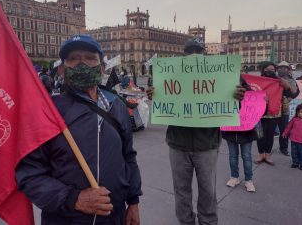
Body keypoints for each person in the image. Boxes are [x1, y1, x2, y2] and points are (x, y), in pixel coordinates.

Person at [16, 34, 142, 225]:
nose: (82, 64)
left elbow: (128, 157)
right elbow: (29, 174)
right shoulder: (48, 111)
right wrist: (73, 199)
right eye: (74, 58)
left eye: (90, 58)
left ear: (101, 68)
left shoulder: (117, 105)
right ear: (62, 69)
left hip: (114, 218)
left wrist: (133, 202)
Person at [146, 38, 245, 225]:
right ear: (184, 53)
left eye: (197, 51)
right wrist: (154, 94)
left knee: (208, 190)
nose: (193, 54)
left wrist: (237, 98)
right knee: (181, 190)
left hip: (207, 144)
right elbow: (164, 99)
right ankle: (186, 222)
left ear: (203, 53)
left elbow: (231, 107)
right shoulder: (173, 73)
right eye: (190, 51)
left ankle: (208, 222)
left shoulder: (219, 73)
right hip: (177, 144)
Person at [255, 61, 298, 165]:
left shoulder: (279, 82)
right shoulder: (257, 81)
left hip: (273, 114)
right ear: (262, 70)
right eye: (267, 70)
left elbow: (293, 94)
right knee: (259, 134)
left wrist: (287, 86)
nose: (269, 72)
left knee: (270, 135)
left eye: (272, 70)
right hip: (257, 114)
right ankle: (261, 154)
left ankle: (268, 154)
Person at [222, 78, 257, 192]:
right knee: (233, 155)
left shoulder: (251, 94)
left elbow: (261, 111)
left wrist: (265, 102)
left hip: (247, 133)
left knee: (246, 156)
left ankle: (248, 180)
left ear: (242, 82)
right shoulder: (224, 94)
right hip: (230, 132)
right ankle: (234, 177)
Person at [276, 61, 299, 156]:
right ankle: (265, 150)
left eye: (284, 68)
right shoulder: (272, 78)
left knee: (284, 129)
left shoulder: (291, 80)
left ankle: (284, 148)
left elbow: (296, 92)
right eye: (280, 67)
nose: (282, 69)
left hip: (284, 109)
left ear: (288, 69)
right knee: (268, 130)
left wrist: (290, 97)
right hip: (272, 108)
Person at [282, 104, 302, 170]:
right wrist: (285, 132)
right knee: (294, 153)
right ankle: (295, 163)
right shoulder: (294, 119)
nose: (300, 113)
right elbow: (289, 126)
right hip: (293, 140)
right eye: (298, 112)